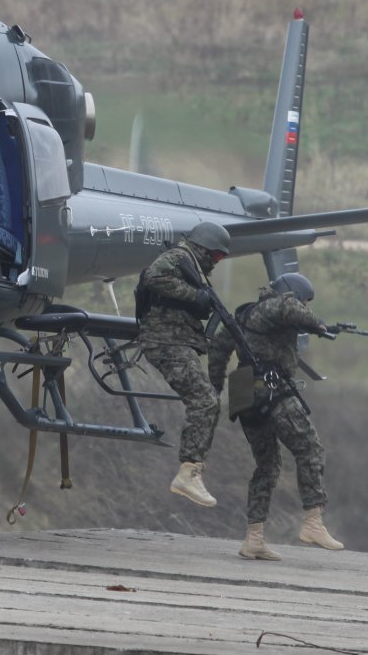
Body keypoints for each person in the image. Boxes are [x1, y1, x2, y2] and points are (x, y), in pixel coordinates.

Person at [207, 272, 344, 559]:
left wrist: (217, 386)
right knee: (310, 448)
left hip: (244, 390)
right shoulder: (277, 306)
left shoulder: (242, 315)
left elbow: (218, 350)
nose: (303, 307)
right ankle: (313, 522)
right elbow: (288, 307)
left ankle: (253, 539)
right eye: (304, 302)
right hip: (270, 386)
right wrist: (317, 324)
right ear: (292, 295)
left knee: (267, 466)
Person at [135, 222, 231, 508]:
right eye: (215, 256)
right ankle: (189, 472)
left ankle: (192, 470)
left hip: (174, 341)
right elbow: (154, 277)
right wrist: (196, 295)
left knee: (209, 401)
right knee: (204, 401)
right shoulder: (180, 257)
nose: (215, 263)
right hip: (166, 341)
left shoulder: (192, 266)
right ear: (203, 246)